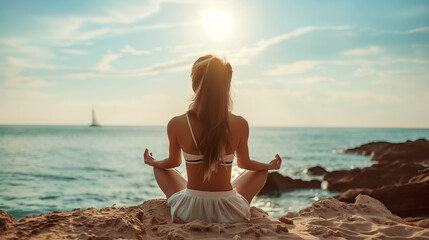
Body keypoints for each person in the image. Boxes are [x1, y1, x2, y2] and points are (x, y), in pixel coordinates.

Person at [144, 54, 282, 223]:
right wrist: (269, 166)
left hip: (189, 212)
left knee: (160, 168)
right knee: (261, 171)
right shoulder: (239, 123)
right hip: (231, 212)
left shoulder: (177, 123)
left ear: (195, 84)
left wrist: (153, 162)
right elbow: (245, 164)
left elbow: (173, 162)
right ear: (226, 86)